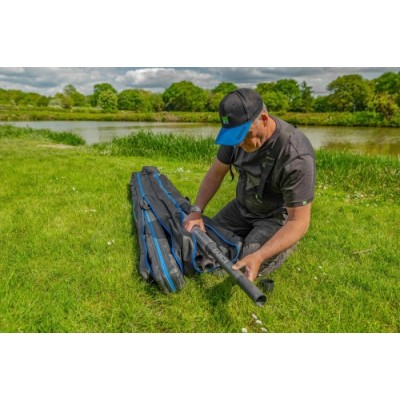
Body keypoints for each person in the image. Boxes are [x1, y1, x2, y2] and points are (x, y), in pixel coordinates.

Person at [183, 88, 316, 282]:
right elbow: (216, 173)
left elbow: (299, 222)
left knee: (244, 263)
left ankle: (284, 245)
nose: (238, 144)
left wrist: (260, 256)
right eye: (234, 137)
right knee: (203, 240)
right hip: (241, 207)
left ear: (264, 119)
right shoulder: (234, 139)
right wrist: (197, 211)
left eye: (244, 135)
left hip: (274, 218)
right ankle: (248, 235)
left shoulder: (295, 156)